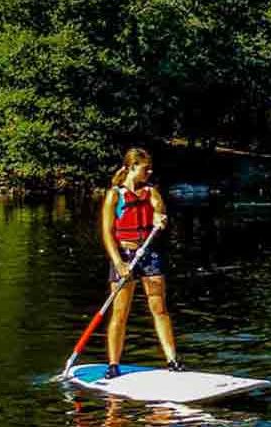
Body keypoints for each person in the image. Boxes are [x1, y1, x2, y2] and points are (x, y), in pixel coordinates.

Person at [100, 147, 182, 378]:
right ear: (132, 168)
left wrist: (160, 218)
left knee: (159, 308)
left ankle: (173, 360)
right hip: (124, 256)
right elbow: (107, 233)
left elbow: (159, 211)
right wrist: (118, 263)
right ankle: (113, 365)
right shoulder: (114, 195)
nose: (149, 172)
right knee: (120, 312)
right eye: (145, 168)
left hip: (150, 255)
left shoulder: (151, 192)